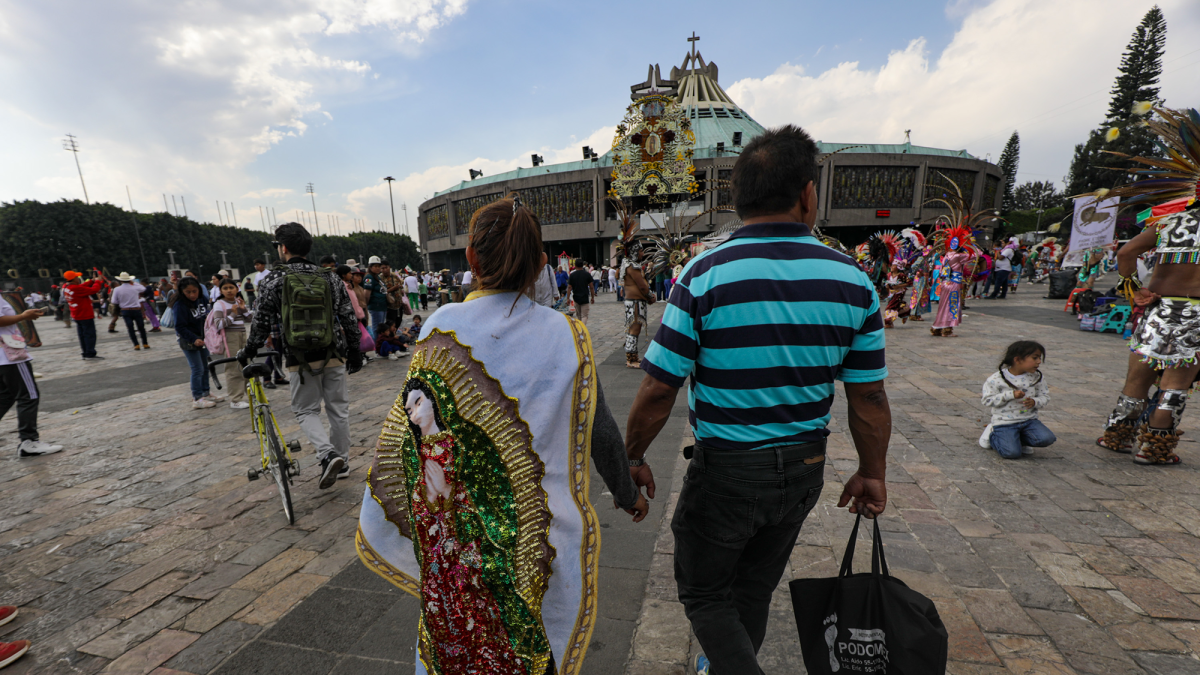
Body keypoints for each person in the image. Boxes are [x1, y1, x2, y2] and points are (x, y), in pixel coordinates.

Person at [624, 125, 890, 675]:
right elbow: (868, 396)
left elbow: (657, 389)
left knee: (703, 592)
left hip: (728, 470)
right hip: (804, 466)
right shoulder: (853, 281)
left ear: (738, 198)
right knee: (754, 587)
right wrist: (872, 471)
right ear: (807, 194)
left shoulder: (702, 274)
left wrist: (632, 456)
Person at [357, 194, 644, 673]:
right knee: (531, 652)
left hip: (461, 551)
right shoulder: (564, 333)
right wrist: (627, 489)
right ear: (539, 264)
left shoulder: (440, 326)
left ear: (471, 259)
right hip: (539, 546)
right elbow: (599, 427)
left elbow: (405, 443)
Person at [1095, 106, 1200, 466]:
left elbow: (1126, 252)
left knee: (1138, 377)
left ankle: (1116, 436)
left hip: (1158, 308)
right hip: (1196, 314)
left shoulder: (1170, 222)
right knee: (1175, 383)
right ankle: (1153, 449)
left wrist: (1133, 286)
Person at [240, 222, 363, 489]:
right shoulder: (330, 277)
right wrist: (354, 350)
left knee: (305, 410)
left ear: (283, 248)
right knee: (338, 409)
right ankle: (341, 460)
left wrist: (249, 351)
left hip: (299, 356)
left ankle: (326, 454)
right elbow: (348, 316)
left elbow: (260, 322)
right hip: (334, 351)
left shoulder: (274, 278)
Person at [0, 298, 63, 457]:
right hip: (9, 355)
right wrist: (23, 316)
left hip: (4, 355)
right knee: (28, 395)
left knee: (6, 396)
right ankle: (29, 441)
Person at [980, 341, 1055, 459]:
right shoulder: (996, 379)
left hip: (1029, 421)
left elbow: (1045, 397)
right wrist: (1010, 395)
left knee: (1047, 438)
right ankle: (992, 435)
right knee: (1011, 453)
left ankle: (1020, 440)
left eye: (1039, 358)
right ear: (1018, 360)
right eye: (1035, 358)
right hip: (1005, 423)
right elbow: (987, 400)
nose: (1039, 362)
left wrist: (1035, 401)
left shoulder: (1036, 377)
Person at [173, 277, 221, 409]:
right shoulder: (180, 305)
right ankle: (197, 397)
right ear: (182, 292)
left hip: (203, 338)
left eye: (194, 291)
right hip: (188, 340)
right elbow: (180, 327)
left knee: (205, 367)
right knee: (197, 368)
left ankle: (206, 392)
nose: (192, 295)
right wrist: (193, 339)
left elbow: (208, 317)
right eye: (188, 292)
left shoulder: (202, 300)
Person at [211, 278, 254, 410]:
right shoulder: (219, 304)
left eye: (231, 287)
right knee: (233, 367)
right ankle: (235, 399)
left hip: (242, 335)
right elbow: (219, 324)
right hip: (230, 338)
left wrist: (243, 309)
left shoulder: (238, 302)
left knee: (247, 363)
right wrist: (233, 315)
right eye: (225, 288)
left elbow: (251, 319)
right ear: (221, 290)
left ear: (237, 289)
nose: (229, 290)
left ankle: (252, 394)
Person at [931, 227, 977, 337]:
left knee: (942, 306)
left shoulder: (947, 255)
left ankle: (937, 328)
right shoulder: (958, 256)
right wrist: (970, 244)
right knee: (952, 305)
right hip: (954, 284)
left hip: (945, 283)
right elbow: (976, 254)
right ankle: (947, 330)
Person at [62, 270, 105, 360]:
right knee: (90, 334)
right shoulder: (75, 288)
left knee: (82, 335)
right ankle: (90, 353)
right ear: (74, 279)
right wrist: (97, 281)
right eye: (77, 277)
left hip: (77, 315)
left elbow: (81, 286)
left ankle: (85, 352)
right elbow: (94, 290)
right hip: (85, 315)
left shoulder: (68, 287)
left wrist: (91, 281)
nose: (78, 279)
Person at [110, 272, 151, 351]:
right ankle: (145, 343)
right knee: (141, 327)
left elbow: (114, 301)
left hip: (125, 311)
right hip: (136, 309)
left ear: (120, 281)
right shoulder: (135, 287)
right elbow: (143, 289)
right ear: (129, 280)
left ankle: (136, 345)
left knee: (130, 328)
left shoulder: (117, 289)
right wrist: (134, 283)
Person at [362, 256, 389, 340]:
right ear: (370, 267)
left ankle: (380, 346)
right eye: (375, 266)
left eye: (379, 266)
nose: (378, 268)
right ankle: (377, 346)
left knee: (381, 327)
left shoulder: (377, 277)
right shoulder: (369, 278)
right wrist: (366, 306)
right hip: (376, 306)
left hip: (382, 306)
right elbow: (366, 294)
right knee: (377, 328)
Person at [567, 258, 595, 324]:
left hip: (576, 297)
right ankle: (582, 330)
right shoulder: (587, 274)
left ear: (575, 265)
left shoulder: (572, 275)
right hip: (585, 296)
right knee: (584, 315)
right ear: (583, 265)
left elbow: (569, 287)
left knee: (579, 315)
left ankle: (580, 329)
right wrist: (592, 297)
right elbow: (591, 287)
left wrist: (568, 298)